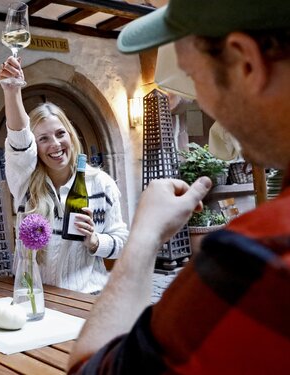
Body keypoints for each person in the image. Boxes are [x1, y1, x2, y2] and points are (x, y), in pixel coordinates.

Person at [68, 0, 290, 373]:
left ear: (245, 62)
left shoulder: (261, 257)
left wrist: (145, 236)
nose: (199, 100)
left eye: (192, 76)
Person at [0, 60, 129, 294]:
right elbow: (18, 139)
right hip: (34, 296)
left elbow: (122, 243)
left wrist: (94, 241)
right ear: (33, 147)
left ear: (71, 135)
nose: (55, 144)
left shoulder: (100, 183)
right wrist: (12, 90)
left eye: (60, 134)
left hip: (86, 296)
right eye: (43, 139)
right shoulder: (24, 180)